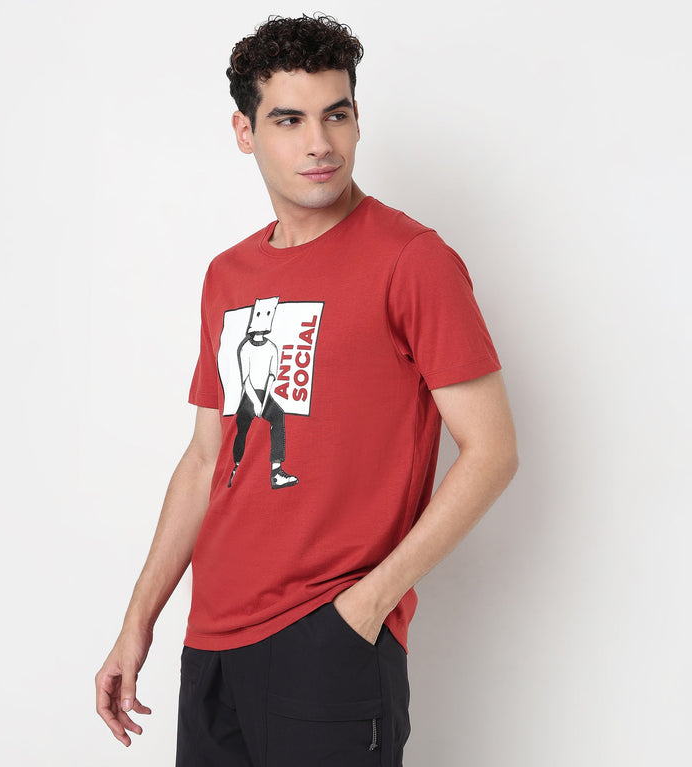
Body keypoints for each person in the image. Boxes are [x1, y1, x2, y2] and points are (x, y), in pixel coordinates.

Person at [95, 14, 518, 766]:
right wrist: (138, 622)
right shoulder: (228, 275)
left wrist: (368, 604)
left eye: (336, 114)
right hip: (211, 641)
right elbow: (204, 460)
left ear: (356, 119)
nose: (319, 143)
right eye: (289, 120)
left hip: (329, 641)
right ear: (245, 131)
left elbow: (491, 451)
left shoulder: (412, 260)